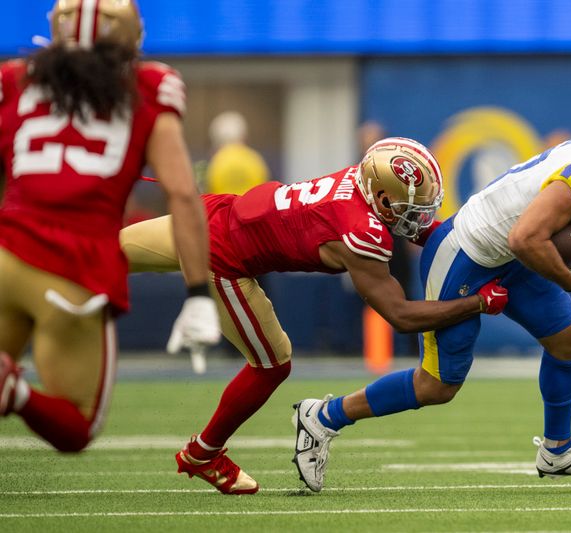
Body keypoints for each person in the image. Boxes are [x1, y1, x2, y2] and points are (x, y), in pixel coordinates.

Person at [292, 90, 571, 492]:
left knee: (570, 341)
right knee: (437, 386)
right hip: (465, 255)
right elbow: (524, 239)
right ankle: (325, 415)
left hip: (509, 253)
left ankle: (557, 450)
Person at [120, 136, 508, 494]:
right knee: (272, 364)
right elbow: (402, 315)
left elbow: (416, 230)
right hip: (222, 259)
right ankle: (203, 454)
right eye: (411, 207)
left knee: (95, 254)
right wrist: (478, 303)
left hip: (213, 213)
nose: (418, 216)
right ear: (382, 197)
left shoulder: (360, 182)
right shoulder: (362, 232)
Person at [0, 0, 220, 452]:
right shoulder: (148, 86)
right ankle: (13, 390)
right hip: (73, 272)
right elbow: (180, 193)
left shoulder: (14, 79)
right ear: (129, 36)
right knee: (78, 426)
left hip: (6, 253)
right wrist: (198, 293)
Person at [205, 110, 271, 196]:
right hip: (251, 208)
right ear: (244, 135)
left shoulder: (216, 162)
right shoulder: (255, 160)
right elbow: (266, 193)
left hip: (224, 209)